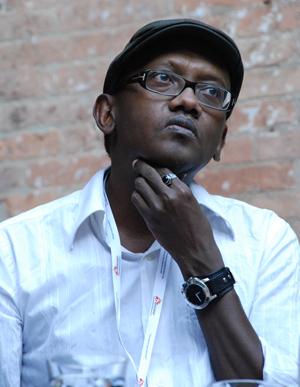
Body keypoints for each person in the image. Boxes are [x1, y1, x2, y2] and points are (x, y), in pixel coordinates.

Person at [0, 18, 299, 387]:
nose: (188, 101)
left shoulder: (266, 241)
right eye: (162, 79)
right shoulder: (15, 251)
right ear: (107, 114)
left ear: (220, 140)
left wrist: (201, 260)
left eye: (211, 93)